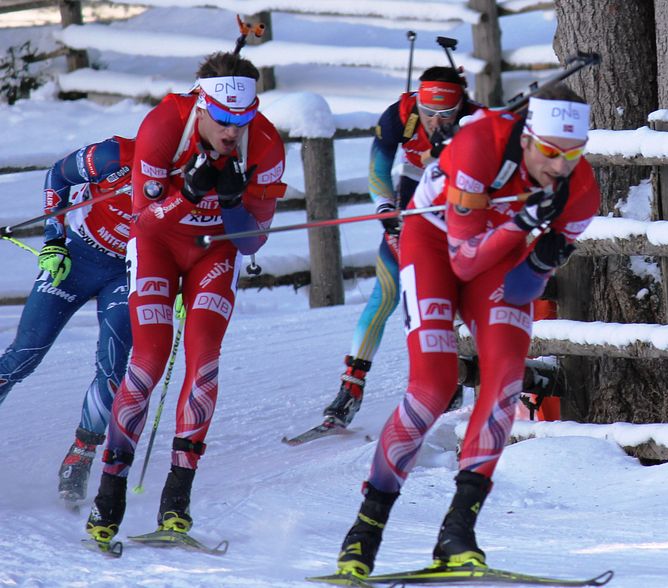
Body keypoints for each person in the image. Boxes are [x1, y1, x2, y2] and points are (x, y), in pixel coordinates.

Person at [333, 83, 600, 579]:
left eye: (573, 153)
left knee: (504, 380)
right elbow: (462, 257)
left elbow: (521, 284)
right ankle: (366, 529)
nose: (560, 167)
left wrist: (541, 254)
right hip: (434, 245)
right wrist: (523, 221)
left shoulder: (580, 191)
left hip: (499, 259)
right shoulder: (481, 146)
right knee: (432, 387)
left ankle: (458, 531)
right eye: (549, 151)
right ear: (526, 137)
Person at [85, 51, 286, 546]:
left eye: (243, 118)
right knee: (149, 357)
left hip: (212, 253)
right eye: (222, 119)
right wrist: (189, 195)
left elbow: (251, 243)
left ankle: (177, 502)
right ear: (202, 106)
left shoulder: (265, 143)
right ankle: (108, 501)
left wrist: (237, 206)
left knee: (203, 360)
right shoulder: (162, 126)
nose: (232, 131)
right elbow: (144, 220)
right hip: (157, 245)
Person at [323, 66, 484, 428]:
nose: (435, 122)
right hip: (411, 200)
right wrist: (385, 210)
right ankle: (351, 389)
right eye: (428, 113)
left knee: (450, 298)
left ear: (461, 107)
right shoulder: (400, 115)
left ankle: (455, 378)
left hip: (458, 205)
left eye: (446, 115)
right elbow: (378, 169)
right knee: (387, 291)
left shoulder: (476, 119)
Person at [0, 137, 134, 505]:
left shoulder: (192, 174)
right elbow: (58, 175)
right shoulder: (116, 154)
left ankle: (81, 455)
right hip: (78, 255)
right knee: (23, 354)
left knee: (112, 368)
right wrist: (53, 239)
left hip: (128, 272)